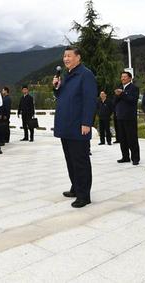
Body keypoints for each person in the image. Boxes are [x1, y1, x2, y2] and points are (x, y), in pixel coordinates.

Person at [53, 46, 97, 208]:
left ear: (78, 57)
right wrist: (56, 86)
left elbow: (90, 100)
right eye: (64, 56)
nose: (65, 59)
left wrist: (87, 122)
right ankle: (75, 187)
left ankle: (84, 195)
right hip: (66, 125)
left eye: (69, 56)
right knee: (70, 159)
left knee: (80, 161)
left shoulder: (86, 75)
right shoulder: (66, 75)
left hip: (78, 125)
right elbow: (60, 96)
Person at [114, 71, 140, 165]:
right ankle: (125, 157)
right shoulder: (119, 88)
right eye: (122, 77)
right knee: (122, 138)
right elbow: (115, 101)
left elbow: (132, 100)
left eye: (125, 77)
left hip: (130, 117)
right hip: (120, 116)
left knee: (132, 138)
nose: (123, 78)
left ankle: (135, 158)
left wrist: (122, 94)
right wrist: (118, 95)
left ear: (130, 78)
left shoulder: (134, 88)